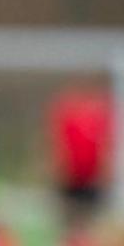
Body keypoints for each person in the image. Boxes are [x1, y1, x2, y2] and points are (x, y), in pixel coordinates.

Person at [45, 80, 116, 235]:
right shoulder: (67, 113)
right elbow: (58, 142)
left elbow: (106, 144)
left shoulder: (100, 114)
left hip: (92, 177)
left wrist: (106, 170)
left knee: (93, 221)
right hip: (71, 177)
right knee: (70, 220)